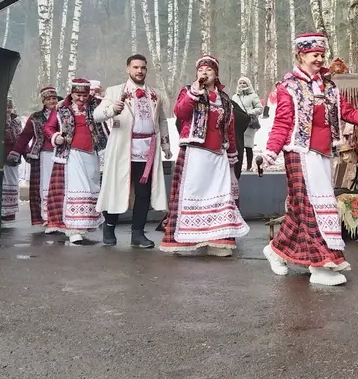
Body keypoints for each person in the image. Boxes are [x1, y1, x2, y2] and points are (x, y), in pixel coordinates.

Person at [259, 32, 358, 286]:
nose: (319, 59)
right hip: (299, 153)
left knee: (308, 210)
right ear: (301, 55)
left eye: (322, 54)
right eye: (314, 54)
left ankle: (276, 249)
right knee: (310, 208)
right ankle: (319, 265)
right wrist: (270, 152)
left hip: (322, 155)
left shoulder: (329, 88)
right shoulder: (288, 87)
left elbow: (349, 113)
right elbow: (282, 123)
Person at [161, 55, 249, 256]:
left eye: (208, 70)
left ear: (216, 74)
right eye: (200, 70)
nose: (204, 73)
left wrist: (232, 155)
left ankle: (218, 241)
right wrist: (193, 93)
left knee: (218, 197)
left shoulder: (224, 99)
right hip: (195, 152)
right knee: (194, 194)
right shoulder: (188, 91)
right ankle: (186, 240)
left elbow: (230, 128)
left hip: (218, 155)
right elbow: (180, 113)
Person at [94, 55, 171, 249]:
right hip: (122, 149)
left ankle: (137, 233)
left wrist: (166, 145)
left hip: (147, 151)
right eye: (135, 67)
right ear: (128, 69)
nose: (139, 71)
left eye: (143, 68)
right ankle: (109, 227)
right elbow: (96, 116)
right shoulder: (114, 91)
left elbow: (161, 121)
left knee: (143, 193)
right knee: (118, 188)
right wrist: (111, 110)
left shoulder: (155, 94)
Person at [43, 78, 107, 245]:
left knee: (91, 187)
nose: (81, 99)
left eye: (84, 95)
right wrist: (55, 136)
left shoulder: (96, 105)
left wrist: (104, 94)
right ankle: (73, 230)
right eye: (78, 95)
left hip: (92, 153)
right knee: (77, 189)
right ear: (71, 93)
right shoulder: (61, 108)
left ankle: (85, 225)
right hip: (71, 154)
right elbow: (48, 127)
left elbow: (110, 108)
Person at [13, 86, 60, 232]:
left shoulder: (63, 114)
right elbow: (25, 135)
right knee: (42, 187)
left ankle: (59, 218)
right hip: (41, 155)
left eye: (54, 98)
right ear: (43, 101)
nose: (52, 101)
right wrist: (16, 151)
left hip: (61, 154)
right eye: (48, 99)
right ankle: (46, 218)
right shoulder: (36, 117)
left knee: (59, 187)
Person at [231, 77, 263, 176]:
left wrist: (249, 113)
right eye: (240, 83)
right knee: (237, 145)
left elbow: (259, 108)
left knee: (248, 146)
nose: (242, 85)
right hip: (237, 124)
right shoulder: (234, 97)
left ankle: (249, 166)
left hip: (248, 124)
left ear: (248, 84)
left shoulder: (253, 96)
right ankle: (237, 166)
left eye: (244, 83)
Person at [2, 98, 23, 222]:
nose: (7, 110)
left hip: (13, 155)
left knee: (11, 182)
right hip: (1, 155)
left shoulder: (16, 121)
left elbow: (19, 137)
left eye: (9, 107)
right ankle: (0, 211)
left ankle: (9, 214)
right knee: (2, 184)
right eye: (5, 107)